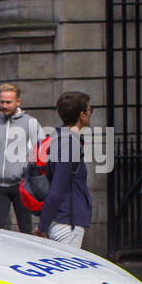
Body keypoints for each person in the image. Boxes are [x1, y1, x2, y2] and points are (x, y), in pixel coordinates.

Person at [0, 83, 43, 233]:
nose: (4, 105)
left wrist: (25, 169)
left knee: (26, 229)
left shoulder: (30, 122)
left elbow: (40, 150)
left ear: (18, 102)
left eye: (8, 102)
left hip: (21, 184)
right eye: (2, 102)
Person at [35, 91, 93, 248]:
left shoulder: (60, 137)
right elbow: (56, 189)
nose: (90, 114)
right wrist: (42, 227)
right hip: (67, 224)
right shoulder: (68, 143)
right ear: (81, 115)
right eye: (89, 110)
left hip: (63, 220)